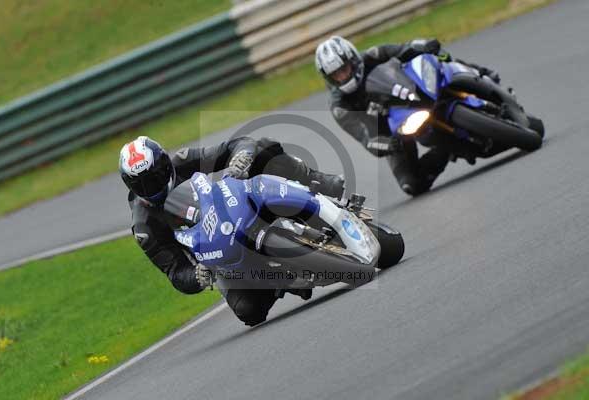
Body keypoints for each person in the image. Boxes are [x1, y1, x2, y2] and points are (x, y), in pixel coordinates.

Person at [119, 135, 344, 326]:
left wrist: (240, 156)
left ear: (166, 164)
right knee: (248, 311)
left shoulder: (184, 161)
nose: (153, 187)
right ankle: (280, 280)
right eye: (143, 185)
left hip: (231, 203)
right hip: (216, 254)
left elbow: (236, 145)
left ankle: (318, 183)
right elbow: (176, 271)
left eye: (156, 176)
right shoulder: (144, 226)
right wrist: (197, 276)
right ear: (131, 187)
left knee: (263, 148)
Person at [315, 36, 500, 195]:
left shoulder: (373, 55)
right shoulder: (340, 106)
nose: (342, 76)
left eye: (344, 68)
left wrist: (425, 45)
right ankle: (450, 148)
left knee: (442, 59)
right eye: (336, 75)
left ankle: (482, 73)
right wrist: (387, 144)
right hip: (393, 129)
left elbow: (405, 48)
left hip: (412, 91)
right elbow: (366, 138)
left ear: (353, 60)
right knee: (411, 184)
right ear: (328, 78)